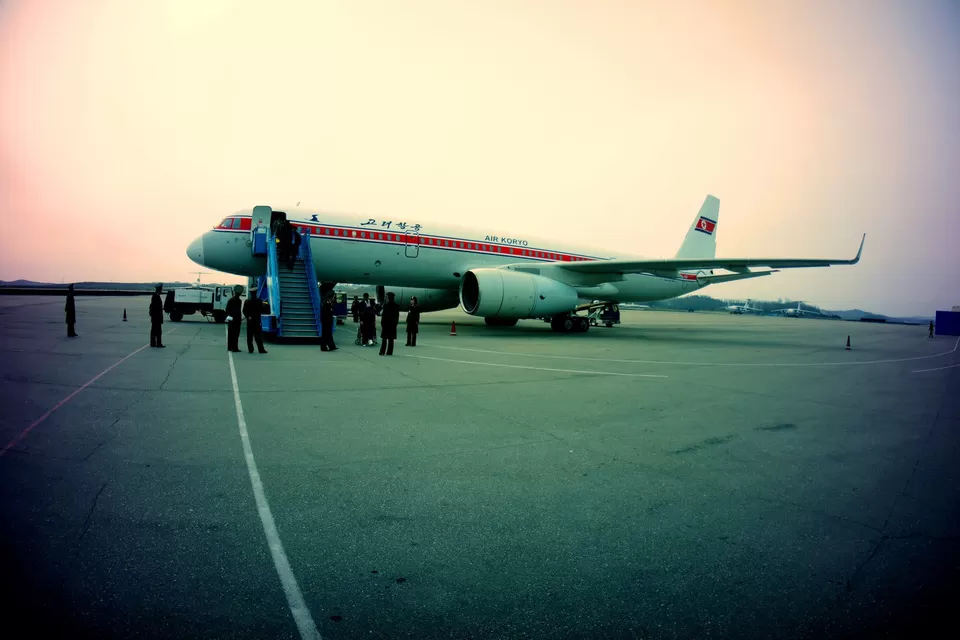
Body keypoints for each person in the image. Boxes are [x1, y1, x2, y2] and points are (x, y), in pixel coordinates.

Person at [379, 291, 401, 356]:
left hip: (386, 325)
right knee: (391, 339)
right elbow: (397, 317)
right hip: (392, 325)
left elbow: (384, 316)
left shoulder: (386, 306)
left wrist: (382, 324)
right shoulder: (396, 306)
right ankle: (389, 352)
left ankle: (382, 351)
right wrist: (395, 324)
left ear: (388, 298)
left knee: (384, 339)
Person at [224, 285, 244, 352]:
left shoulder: (230, 300)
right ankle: (235, 348)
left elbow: (227, 310)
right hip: (237, 320)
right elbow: (238, 311)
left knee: (230, 334)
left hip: (231, 320)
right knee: (236, 335)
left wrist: (229, 318)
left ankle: (229, 347)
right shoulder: (239, 301)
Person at [149, 283, 165, 348]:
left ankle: (153, 343)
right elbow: (155, 307)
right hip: (156, 317)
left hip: (155, 317)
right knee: (158, 331)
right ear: (159, 289)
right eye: (161, 289)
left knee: (154, 330)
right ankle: (158, 343)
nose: (161, 290)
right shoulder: (156, 296)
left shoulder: (155, 296)